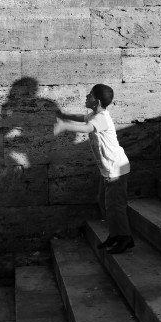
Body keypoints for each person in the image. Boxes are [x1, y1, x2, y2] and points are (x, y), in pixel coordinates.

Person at [53, 84, 134, 254]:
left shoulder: (102, 118)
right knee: (103, 201)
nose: (85, 97)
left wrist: (64, 126)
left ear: (96, 101)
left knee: (115, 206)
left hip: (116, 170)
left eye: (88, 96)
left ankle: (125, 238)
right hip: (108, 169)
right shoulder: (95, 114)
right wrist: (64, 116)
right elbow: (82, 118)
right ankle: (115, 234)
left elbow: (87, 128)